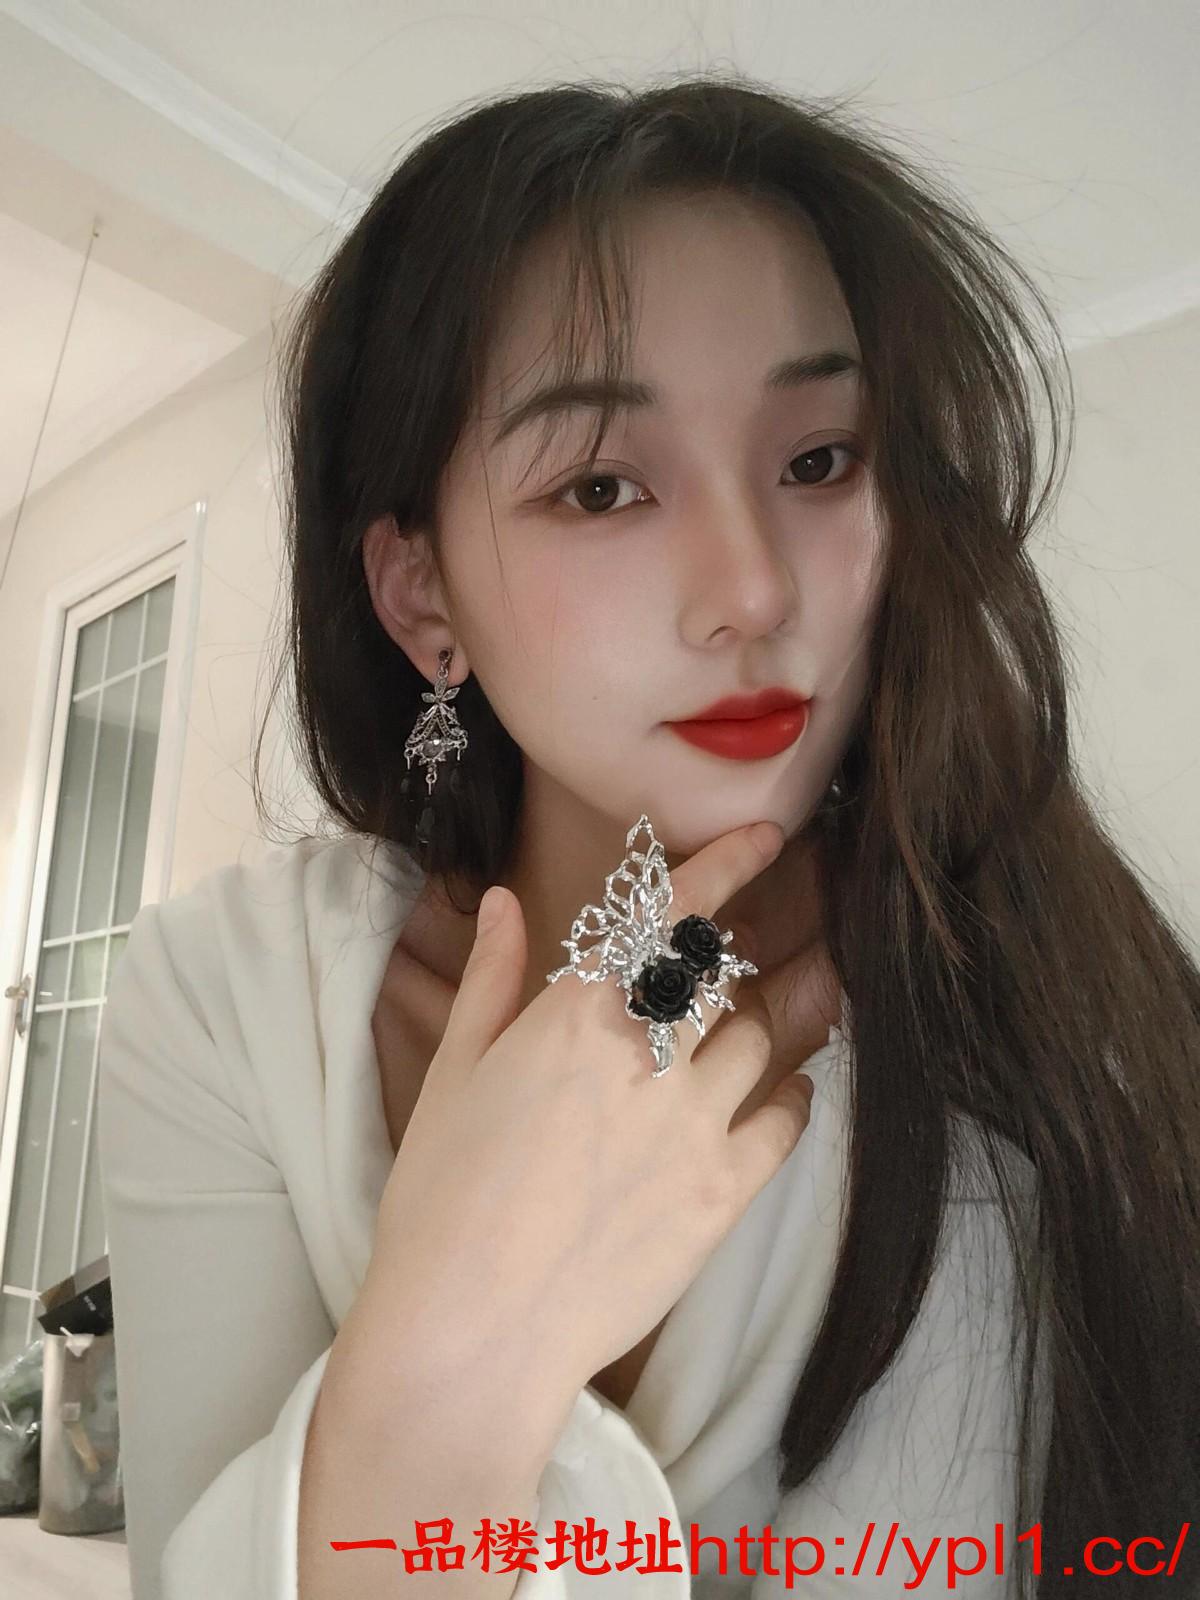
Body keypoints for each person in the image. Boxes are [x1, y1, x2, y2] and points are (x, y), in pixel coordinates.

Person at [97, 74, 1200, 1600]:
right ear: (421, 596)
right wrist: (467, 1339)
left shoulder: (1042, 1036)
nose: (754, 591)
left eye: (819, 461)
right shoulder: (233, 997)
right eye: (604, 486)